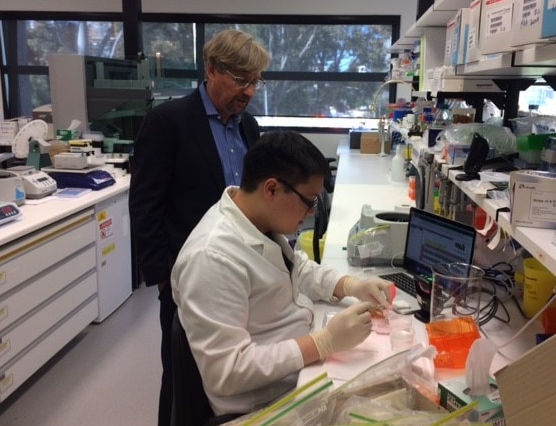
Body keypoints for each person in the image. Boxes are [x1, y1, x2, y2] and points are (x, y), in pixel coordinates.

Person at [171, 130, 395, 419]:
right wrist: (322, 342)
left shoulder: (254, 217)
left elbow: (295, 267)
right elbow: (226, 372)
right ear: (272, 189)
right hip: (264, 408)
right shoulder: (211, 258)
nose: (312, 212)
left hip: (298, 378)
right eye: (308, 200)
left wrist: (351, 285)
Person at [128, 29, 270, 426]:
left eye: (255, 81)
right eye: (241, 80)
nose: (249, 91)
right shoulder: (169, 121)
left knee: (228, 374)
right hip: (185, 276)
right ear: (211, 69)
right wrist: (161, 278)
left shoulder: (248, 127)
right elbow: (144, 204)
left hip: (240, 273)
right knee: (181, 378)